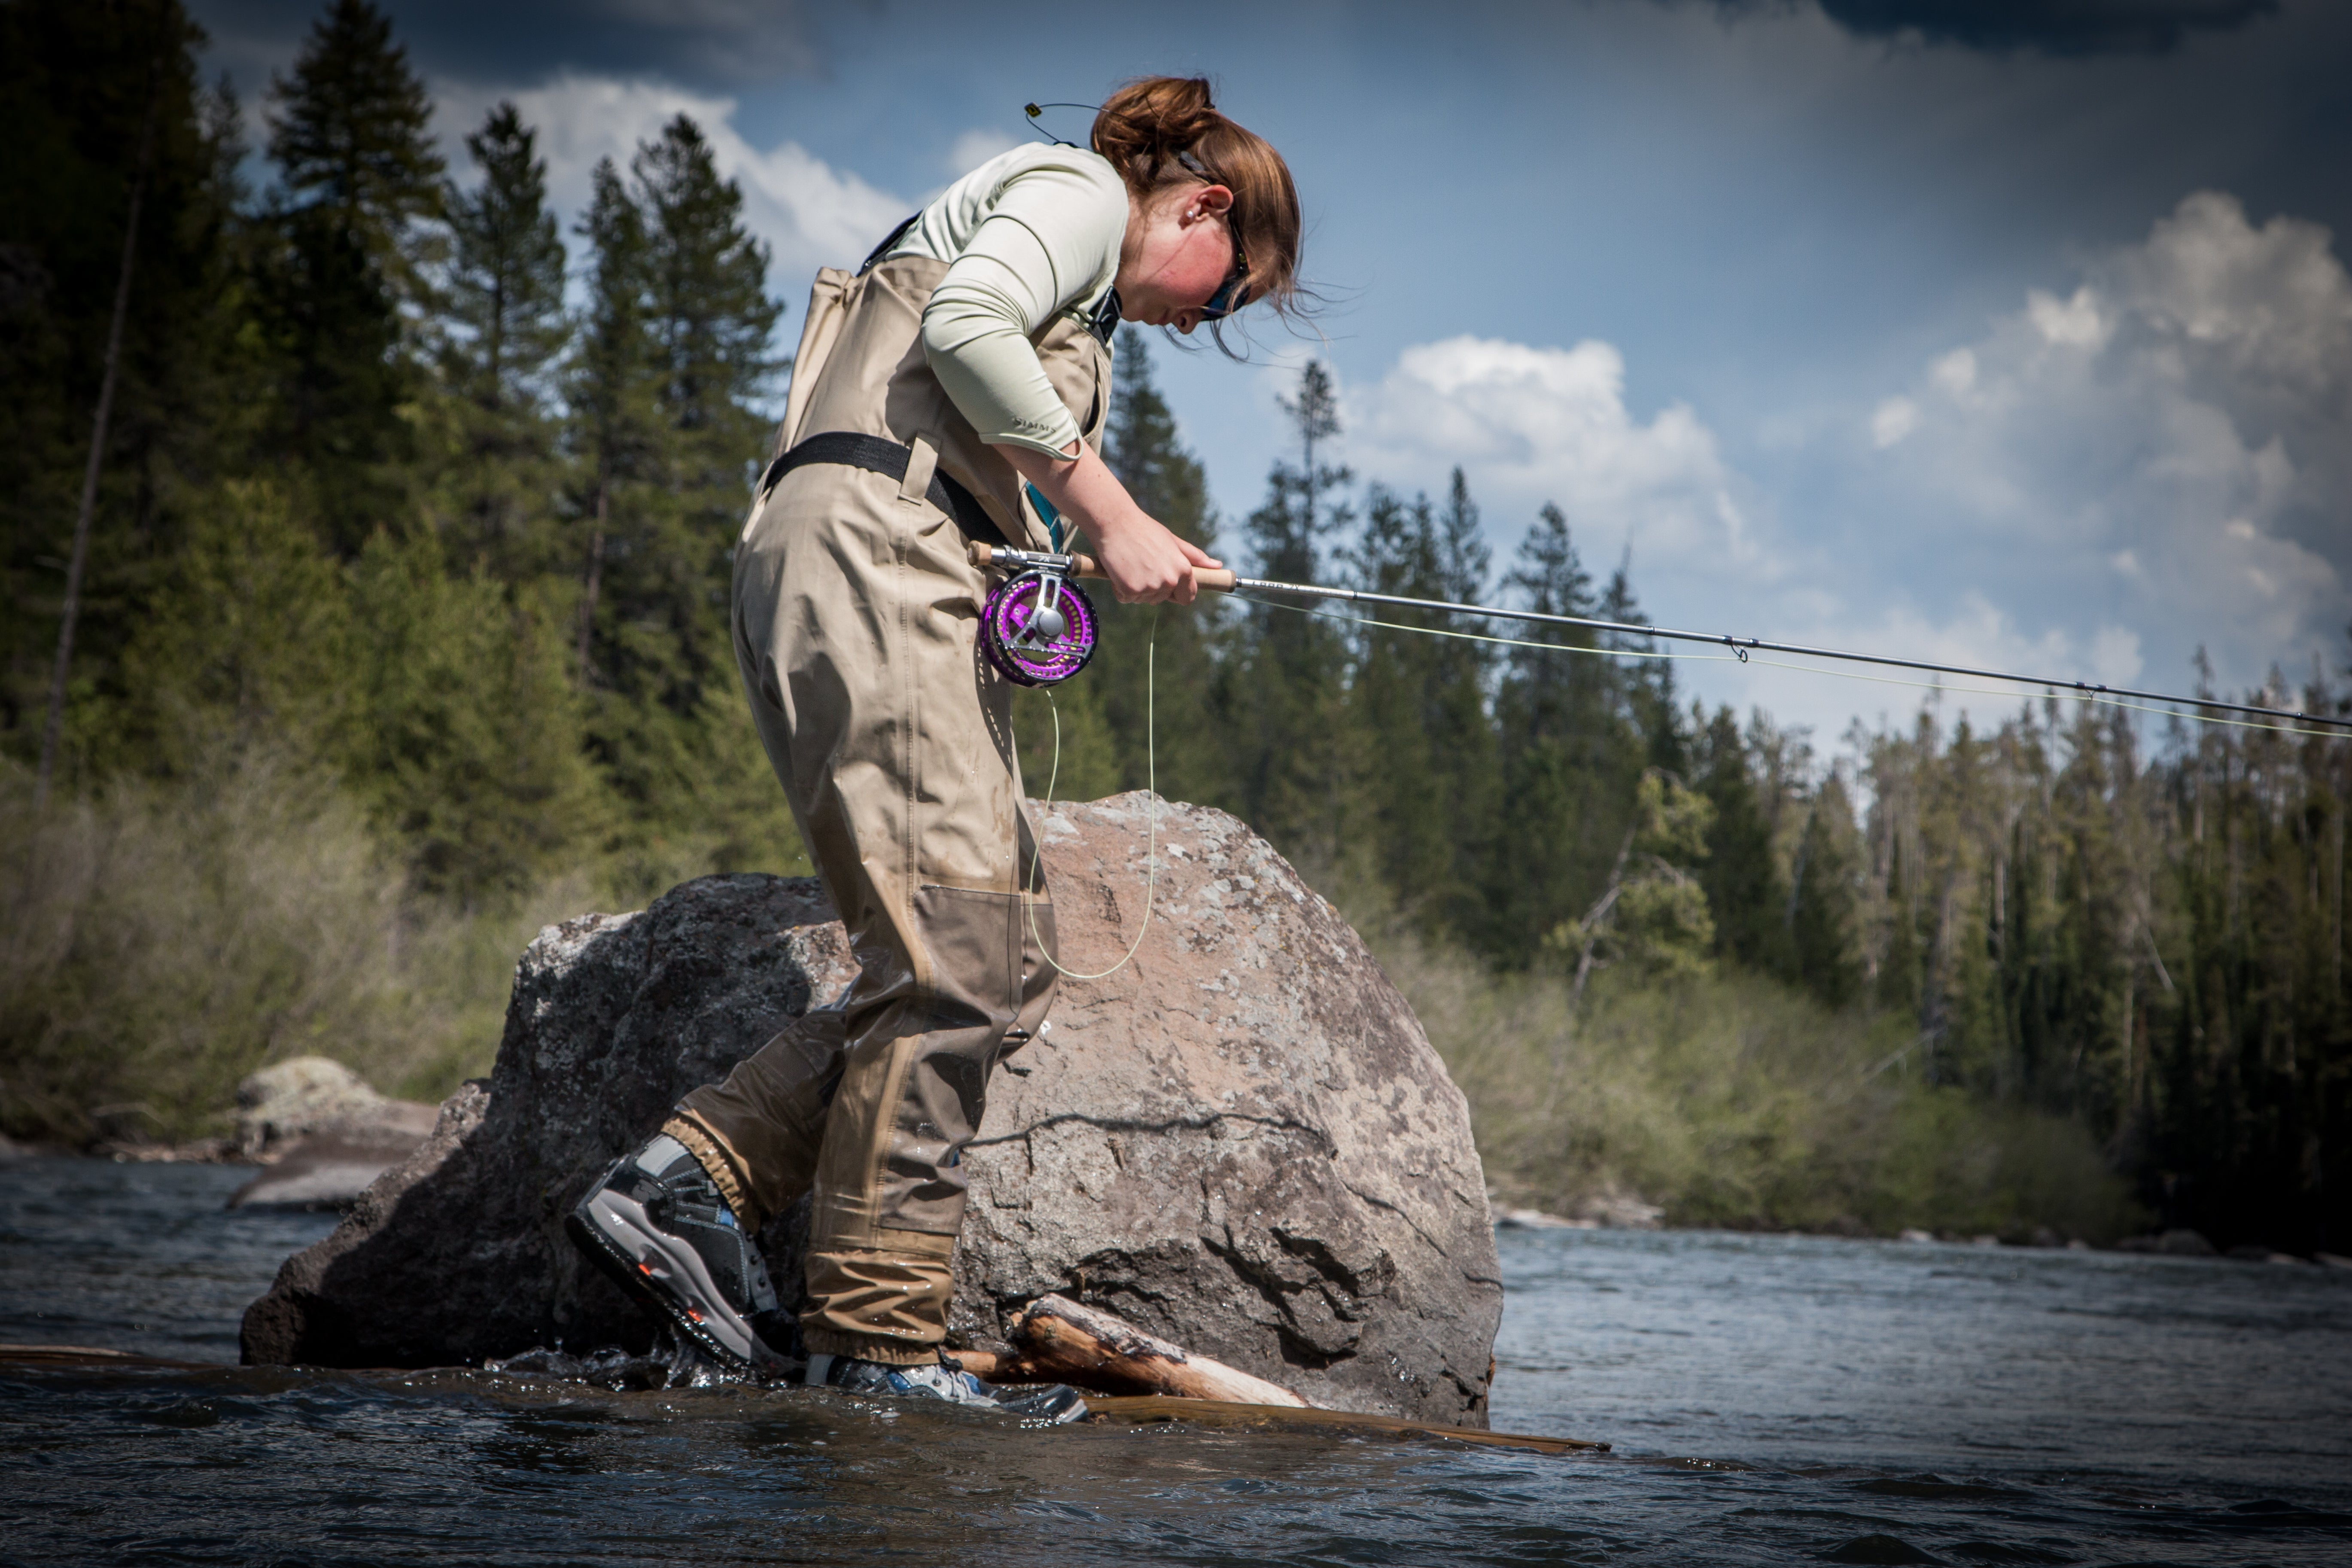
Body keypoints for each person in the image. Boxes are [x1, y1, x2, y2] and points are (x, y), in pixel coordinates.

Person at [567, 77, 1302, 1416]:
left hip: (877, 556)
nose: (1206, 317)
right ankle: (877, 1346)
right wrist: (1112, 511)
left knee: (995, 957)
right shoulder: (1081, 193)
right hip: (872, 553)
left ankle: (686, 1187)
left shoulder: (1071, 268)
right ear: (1203, 203)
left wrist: (1059, 545)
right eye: (1228, 287)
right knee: (958, 958)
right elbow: (966, 326)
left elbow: (964, 385)